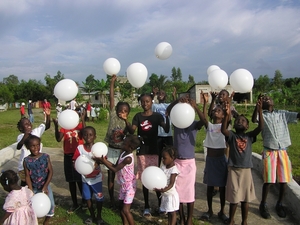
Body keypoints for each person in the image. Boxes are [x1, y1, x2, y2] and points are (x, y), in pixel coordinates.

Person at [251, 94, 300, 219]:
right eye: (264, 99)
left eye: (268, 98)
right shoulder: (262, 116)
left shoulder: (282, 114)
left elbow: (297, 115)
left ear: (273, 102)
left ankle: (279, 203)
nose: (267, 99)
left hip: (283, 151)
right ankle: (263, 204)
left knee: (284, 180)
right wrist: (258, 108)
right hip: (270, 151)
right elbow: (253, 119)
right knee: (269, 180)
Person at [127, 93, 170, 217]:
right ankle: (146, 206)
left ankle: (161, 205)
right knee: (145, 178)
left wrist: (167, 117)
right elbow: (132, 131)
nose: (145, 104)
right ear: (140, 103)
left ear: (152, 102)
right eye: (143, 102)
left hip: (154, 151)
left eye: (147, 101)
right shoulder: (138, 116)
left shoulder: (157, 116)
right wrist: (126, 120)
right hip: (142, 152)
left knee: (156, 177)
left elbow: (166, 129)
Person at [221, 98, 263, 225]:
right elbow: (223, 130)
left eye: (243, 121)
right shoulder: (232, 136)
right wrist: (227, 114)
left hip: (246, 171)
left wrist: (260, 111)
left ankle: (244, 221)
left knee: (246, 199)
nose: (240, 121)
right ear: (234, 125)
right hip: (233, 170)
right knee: (234, 199)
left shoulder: (249, 136)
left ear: (247, 126)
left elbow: (260, 127)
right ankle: (231, 219)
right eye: (238, 120)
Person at [166, 95, 203, 225]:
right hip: (177, 162)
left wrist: (196, 107)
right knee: (178, 193)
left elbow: (204, 121)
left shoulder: (194, 124)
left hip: (189, 163)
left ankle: (189, 219)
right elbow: (169, 111)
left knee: (189, 192)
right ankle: (181, 218)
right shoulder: (177, 122)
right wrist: (177, 101)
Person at [95, 134, 141, 225]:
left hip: (130, 186)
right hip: (123, 185)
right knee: (121, 208)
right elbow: (115, 166)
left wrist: (103, 160)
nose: (122, 144)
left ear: (131, 147)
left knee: (126, 210)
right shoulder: (122, 153)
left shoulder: (128, 158)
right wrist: (102, 160)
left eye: (125, 143)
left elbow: (115, 169)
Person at [104, 74, 132, 208]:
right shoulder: (113, 115)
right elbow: (111, 98)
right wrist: (112, 83)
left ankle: (123, 196)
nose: (122, 112)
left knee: (121, 175)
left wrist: (126, 120)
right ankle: (111, 199)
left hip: (121, 152)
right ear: (116, 110)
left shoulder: (127, 122)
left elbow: (131, 132)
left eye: (125, 111)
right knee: (110, 175)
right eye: (120, 110)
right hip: (111, 149)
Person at [200, 92, 228, 223]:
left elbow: (227, 117)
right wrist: (206, 103)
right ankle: (210, 210)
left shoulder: (225, 127)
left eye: (219, 111)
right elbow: (204, 117)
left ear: (223, 116)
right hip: (211, 160)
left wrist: (227, 110)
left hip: (221, 160)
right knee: (210, 186)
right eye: (215, 110)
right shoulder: (210, 126)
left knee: (222, 187)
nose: (216, 112)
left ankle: (222, 211)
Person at [53, 108, 86, 213]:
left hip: (79, 156)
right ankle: (75, 203)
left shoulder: (80, 126)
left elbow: (85, 134)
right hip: (68, 156)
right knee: (71, 180)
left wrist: (83, 119)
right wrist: (56, 125)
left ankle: (85, 202)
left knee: (81, 180)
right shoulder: (64, 127)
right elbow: (58, 139)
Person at [72, 126, 104, 225]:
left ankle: (99, 216)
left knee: (99, 198)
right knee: (87, 198)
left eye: (90, 135)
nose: (88, 136)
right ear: (82, 136)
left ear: (95, 136)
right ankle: (92, 215)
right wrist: (76, 166)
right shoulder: (80, 148)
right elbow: (74, 161)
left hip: (97, 179)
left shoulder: (98, 148)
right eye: (85, 134)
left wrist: (97, 162)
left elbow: (103, 160)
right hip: (85, 179)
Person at [23, 135, 55, 225]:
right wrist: (30, 190)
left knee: (51, 204)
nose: (36, 148)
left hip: (45, 185)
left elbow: (51, 172)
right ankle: (33, 220)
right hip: (34, 187)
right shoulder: (26, 161)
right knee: (32, 206)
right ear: (28, 147)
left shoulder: (45, 157)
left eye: (37, 145)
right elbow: (27, 176)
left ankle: (47, 220)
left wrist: (45, 186)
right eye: (33, 146)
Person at [16, 108, 51, 186]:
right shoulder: (20, 136)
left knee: (36, 183)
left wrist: (48, 116)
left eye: (29, 123)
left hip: (37, 164)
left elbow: (47, 126)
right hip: (24, 166)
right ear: (21, 128)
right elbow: (19, 146)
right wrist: (26, 134)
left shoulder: (36, 132)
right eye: (26, 124)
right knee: (25, 184)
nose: (29, 125)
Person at [154, 146, 180, 225]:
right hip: (165, 195)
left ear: (172, 158)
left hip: (170, 195)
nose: (162, 160)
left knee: (172, 213)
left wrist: (164, 189)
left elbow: (171, 183)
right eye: (162, 158)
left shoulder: (174, 170)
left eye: (165, 158)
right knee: (168, 212)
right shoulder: (163, 167)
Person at [152, 87, 176, 167]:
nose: (160, 95)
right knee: (158, 155)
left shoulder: (168, 105)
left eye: (162, 94)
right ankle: (157, 169)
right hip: (158, 135)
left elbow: (175, 105)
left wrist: (174, 96)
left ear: (165, 97)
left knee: (170, 154)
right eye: (159, 94)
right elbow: (149, 105)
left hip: (168, 134)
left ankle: (169, 170)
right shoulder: (155, 106)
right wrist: (153, 94)